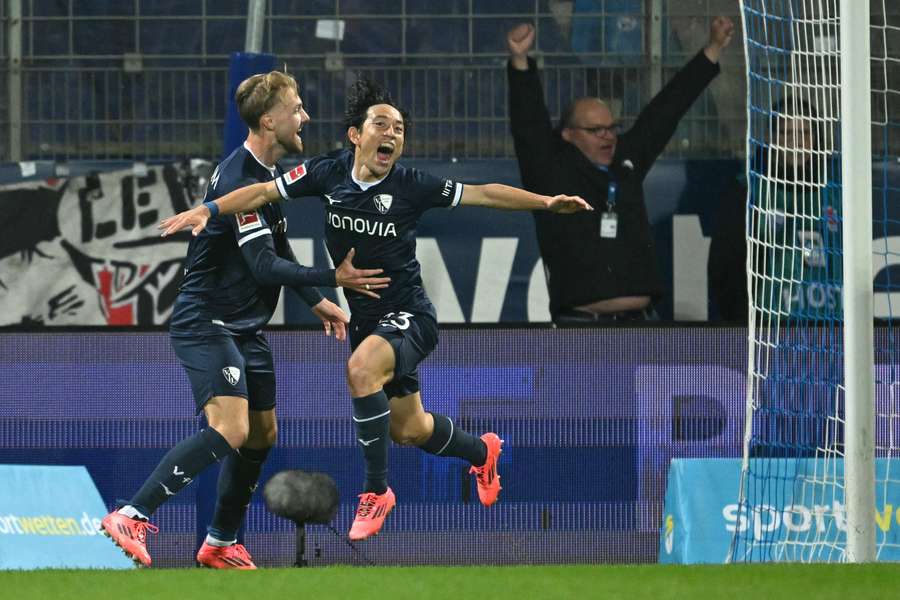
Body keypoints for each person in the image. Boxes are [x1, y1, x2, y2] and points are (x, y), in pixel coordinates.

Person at [159, 78, 591, 541]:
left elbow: (484, 192)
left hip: (410, 316)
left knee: (361, 370)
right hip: (368, 322)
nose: (391, 133)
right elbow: (261, 193)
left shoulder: (412, 186)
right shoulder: (326, 173)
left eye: (400, 129)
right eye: (381, 123)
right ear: (356, 135)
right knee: (411, 429)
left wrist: (546, 202)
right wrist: (210, 208)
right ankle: (481, 452)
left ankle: (376, 491)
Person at [101, 71, 390, 568]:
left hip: (244, 325)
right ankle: (132, 514)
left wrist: (315, 297)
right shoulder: (240, 178)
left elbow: (277, 247)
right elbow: (261, 265)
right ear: (268, 119)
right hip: (208, 320)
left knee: (261, 433)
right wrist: (333, 276)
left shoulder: (264, 178)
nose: (305, 117)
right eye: (296, 107)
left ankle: (221, 541)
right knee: (230, 428)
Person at [506, 17, 734, 324]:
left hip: (638, 324)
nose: (608, 136)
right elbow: (529, 125)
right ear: (568, 134)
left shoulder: (626, 162)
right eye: (595, 130)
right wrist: (520, 61)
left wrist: (713, 48)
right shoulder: (551, 172)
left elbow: (666, 109)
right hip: (582, 327)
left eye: (612, 128)